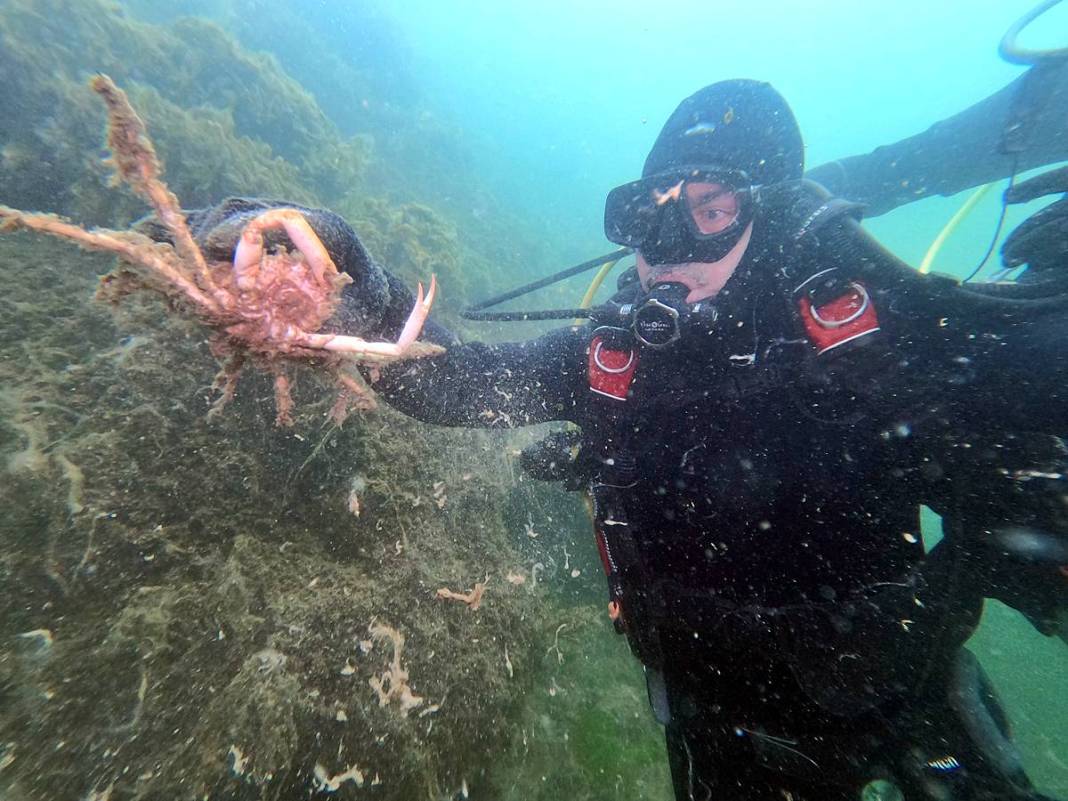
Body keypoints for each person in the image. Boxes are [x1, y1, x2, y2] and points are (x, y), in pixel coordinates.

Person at [164, 80, 1068, 801]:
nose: (667, 243)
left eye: (711, 209)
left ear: (774, 214)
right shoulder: (615, 355)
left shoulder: (865, 338)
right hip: (718, 720)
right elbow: (453, 379)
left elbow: (1024, 411)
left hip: (906, 702)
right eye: (647, 211)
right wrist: (339, 267)